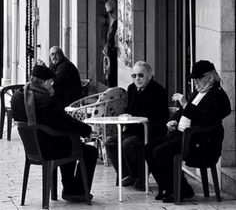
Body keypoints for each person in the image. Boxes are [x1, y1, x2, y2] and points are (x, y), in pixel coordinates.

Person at [145, 59, 231, 203]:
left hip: (199, 141)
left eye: (198, 79)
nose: (195, 83)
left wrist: (185, 103)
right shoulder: (197, 93)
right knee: (148, 149)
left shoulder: (218, 95)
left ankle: (182, 190)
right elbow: (183, 112)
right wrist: (174, 121)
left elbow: (205, 119)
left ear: (210, 78)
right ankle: (166, 187)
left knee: (160, 152)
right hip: (181, 135)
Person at [11, 62, 98, 203]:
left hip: (33, 147)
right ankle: (77, 192)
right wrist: (86, 130)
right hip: (48, 148)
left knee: (68, 140)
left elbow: (56, 122)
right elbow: (63, 122)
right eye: (51, 82)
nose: (52, 86)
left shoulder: (18, 96)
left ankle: (70, 189)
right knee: (89, 151)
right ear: (45, 83)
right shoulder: (45, 100)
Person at [105, 61, 169, 191]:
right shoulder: (132, 89)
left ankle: (139, 176)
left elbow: (156, 116)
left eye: (140, 75)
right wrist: (126, 116)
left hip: (151, 131)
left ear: (149, 75)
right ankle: (127, 174)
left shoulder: (158, 91)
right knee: (110, 143)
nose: (137, 79)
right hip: (133, 129)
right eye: (134, 76)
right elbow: (130, 109)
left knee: (128, 144)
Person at [103, 0, 118, 87]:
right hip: (111, 58)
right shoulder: (114, 23)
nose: (110, 15)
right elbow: (110, 39)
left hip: (115, 57)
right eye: (108, 13)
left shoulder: (118, 23)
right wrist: (106, 46)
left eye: (111, 11)